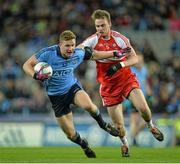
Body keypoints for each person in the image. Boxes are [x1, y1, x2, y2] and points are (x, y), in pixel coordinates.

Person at [22, 30, 128, 158]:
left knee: (89, 106)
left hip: (72, 88)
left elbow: (96, 55)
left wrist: (115, 53)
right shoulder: (47, 54)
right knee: (71, 135)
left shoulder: (78, 53)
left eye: (72, 45)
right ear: (60, 44)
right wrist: (35, 75)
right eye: (67, 45)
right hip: (56, 98)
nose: (71, 48)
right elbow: (27, 64)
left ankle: (103, 124)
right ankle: (84, 145)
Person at [79, 9, 164, 157]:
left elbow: (134, 59)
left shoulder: (120, 39)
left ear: (110, 24)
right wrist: (84, 51)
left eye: (102, 25)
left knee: (143, 107)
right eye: (97, 26)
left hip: (126, 80)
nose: (100, 29)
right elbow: (79, 49)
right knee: (119, 126)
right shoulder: (92, 40)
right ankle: (125, 143)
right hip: (108, 86)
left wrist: (120, 65)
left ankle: (151, 126)